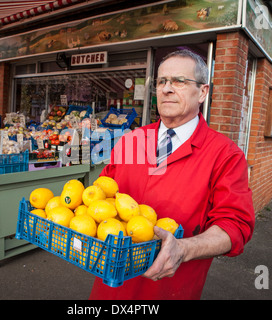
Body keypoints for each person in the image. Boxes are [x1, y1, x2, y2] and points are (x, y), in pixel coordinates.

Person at [89, 49, 255, 300]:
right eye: (161, 81)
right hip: (111, 286)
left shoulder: (225, 155)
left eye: (179, 81)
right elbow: (102, 193)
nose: (167, 88)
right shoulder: (132, 140)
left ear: (202, 92)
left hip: (170, 288)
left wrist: (184, 248)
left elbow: (236, 225)